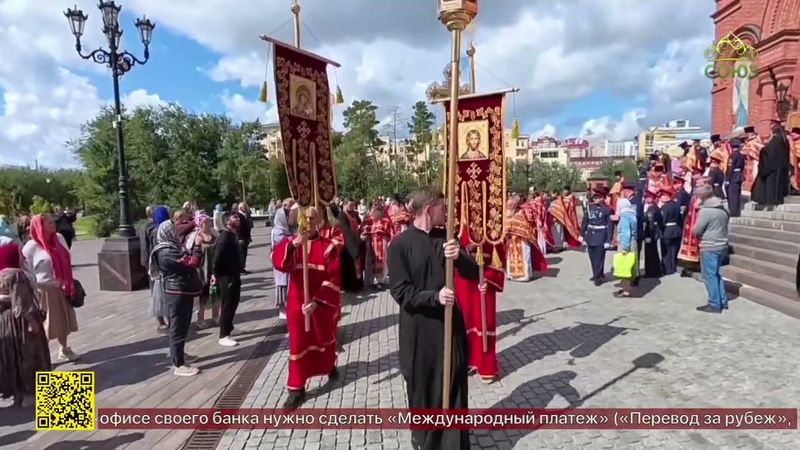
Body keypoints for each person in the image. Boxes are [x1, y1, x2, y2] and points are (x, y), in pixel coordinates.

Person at [387, 188, 479, 450]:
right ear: (429, 209)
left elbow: (474, 273)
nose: (447, 212)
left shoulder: (447, 238)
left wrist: (459, 255)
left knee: (454, 390)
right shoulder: (400, 245)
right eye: (442, 207)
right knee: (424, 392)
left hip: (451, 329)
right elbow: (400, 291)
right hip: (420, 334)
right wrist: (434, 297)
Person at [272, 206, 341, 410]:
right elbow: (278, 262)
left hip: (319, 304)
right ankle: (296, 389)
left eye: (312, 218)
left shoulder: (329, 246)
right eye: (304, 218)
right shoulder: (291, 243)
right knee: (298, 344)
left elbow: (334, 277)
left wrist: (318, 301)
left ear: (319, 220)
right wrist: (293, 245)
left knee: (324, 339)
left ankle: (329, 366)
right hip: (297, 304)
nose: (308, 222)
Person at [151, 220, 204, 376]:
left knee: (182, 325)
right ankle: (178, 363)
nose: (176, 231)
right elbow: (192, 262)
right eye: (173, 229)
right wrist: (197, 246)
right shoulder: (166, 251)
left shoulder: (172, 247)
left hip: (182, 290)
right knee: (177, 328)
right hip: (176, 292)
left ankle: (179, 354)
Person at [22, 214, 79, 362]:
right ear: (39, 226)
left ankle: (64, 349)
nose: (52, 223)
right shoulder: (31, 247)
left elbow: (68, 256)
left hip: (62, 287)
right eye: (48, 222)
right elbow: (26, 271)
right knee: (46, 324)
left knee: (64, 321)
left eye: (52, 221)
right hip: (43, 290)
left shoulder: (59, 238)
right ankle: (42, 356)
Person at [0, 245, 51, 408]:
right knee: (28, 355)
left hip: (4, 321)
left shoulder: (1, 273)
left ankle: (17, 393)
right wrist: (31, 321)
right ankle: (31, 393)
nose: (23, 257)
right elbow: (20, 302)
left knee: (12, 356)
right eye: (19, 254)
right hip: (20, 322)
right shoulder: (16, 274)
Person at [454, 228, 501, 384]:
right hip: (463, 282)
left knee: (484, 322)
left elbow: (499, 255)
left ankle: (486, 365)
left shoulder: (493, 225)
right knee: (465, 320)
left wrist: (488, 279)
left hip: (483, 281)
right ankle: (466, 360)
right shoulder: (459, 225)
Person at [692, 186, 730, 313]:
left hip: (710, 245)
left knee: (709, 276)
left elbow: (696, 229)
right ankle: (722, 300)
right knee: (716, 274)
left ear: (701, 197)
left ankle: (714, 303)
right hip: (722, 244)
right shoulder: (723, 208)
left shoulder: (706, 211)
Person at [212, 211, 243, 347]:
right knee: (228, 304)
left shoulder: (232, 236)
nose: (238, 219)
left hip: (234, 274)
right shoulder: (225, 237)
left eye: (238, 217)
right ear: (227, 221)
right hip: (226, 276)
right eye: (234, 217)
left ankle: (229, 327)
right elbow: (217, 258)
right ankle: (223, 335)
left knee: (234, 301)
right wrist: (215, 274)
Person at [187, 212, 219, 329]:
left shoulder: (214, 234)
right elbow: (192, 256)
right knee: (203, 296)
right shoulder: (196, 237)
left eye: (208, 221)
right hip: (202, 271)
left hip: (215, 269)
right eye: (205, 221)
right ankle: (200, 318)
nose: (209, 222)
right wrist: (197, 245)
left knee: (216, 293)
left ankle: (216, 316)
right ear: (200, 223)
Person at [505, 194, 547, 281]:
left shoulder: (521, 212)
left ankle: (524, 275)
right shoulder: (506, 213)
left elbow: (525, 225)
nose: (510, 206)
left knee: (524, 256)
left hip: (522, 238)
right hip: (510, 239)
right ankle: (512, 274)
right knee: (511, 257)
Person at [752, 122, 791, 207]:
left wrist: (762, 150)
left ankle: (770, 201)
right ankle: (776, 199)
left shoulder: (775, 140)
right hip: (780, 167)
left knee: (770, 187)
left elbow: (769, 154)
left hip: (772, 169)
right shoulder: (784, 140)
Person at [580, 189, 613, 286]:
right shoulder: (589, 208)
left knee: (599, 257)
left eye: (598, 198)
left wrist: (608, 239)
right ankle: (598, 274)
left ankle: (597, 277)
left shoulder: (607, 209)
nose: (596, 199)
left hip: (601, 234)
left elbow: (610, 225)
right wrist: (581, 234)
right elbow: (585, 222)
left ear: (602, 198)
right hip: (590, 235)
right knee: (592, 257)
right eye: (594, 198)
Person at [148, 206, 171, 333]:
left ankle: (162, 321)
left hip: (154, 266)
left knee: (157, 295)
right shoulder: (163, 229)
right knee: (164, 294)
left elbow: (146, 251)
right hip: (162, 265)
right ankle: (168, 320)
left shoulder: (150, 228)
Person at [613, 193, 638, 298]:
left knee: (624, 266)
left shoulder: (625, 216)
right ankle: (626, 288)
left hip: (626, 243)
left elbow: (626, 232)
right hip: (633, 242)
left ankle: (626, 290)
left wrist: (624, 248)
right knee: (630, 266)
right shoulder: (632, 214)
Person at [361, 207, 391, 290]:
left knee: (382, 261)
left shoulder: (385, 219)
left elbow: (388, 231)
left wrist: (388, 240)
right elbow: (364, 230)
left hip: (382, 243)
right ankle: (369, 282)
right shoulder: (368, 219)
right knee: (369, 262)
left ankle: (380, 281)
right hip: (370, 242)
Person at [271, 208, 292, 320]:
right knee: (282, 285)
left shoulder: (285, 229)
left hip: (286, 262)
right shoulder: (278, 231)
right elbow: (283, 243)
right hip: (280, 262)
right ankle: (282, 309)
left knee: (286, 284)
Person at [659, 189, 682, 275]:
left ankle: (667, 269)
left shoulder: (665, 207)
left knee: (666, 250)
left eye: (662, 196)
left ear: (667, 197)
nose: (661, 197)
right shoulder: (676, 205)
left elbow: (663, 220)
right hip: (676, 229)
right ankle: (673, 267)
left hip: (667, 230)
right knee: (673, 250)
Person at [641, 191, 663, 278]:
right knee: (653, 252)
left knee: (650, 253)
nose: (647, 199)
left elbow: (651, 223)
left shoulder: (652, 209)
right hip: (652, 233)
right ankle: (655, 270)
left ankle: (650, 271)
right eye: (646, 197)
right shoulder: (653, 208)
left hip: (650, 233)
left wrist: (648, 235)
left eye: (649, 197)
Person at [727, 139, 746, 217]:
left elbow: (730, 167)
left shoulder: (732, 155)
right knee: (738, 194)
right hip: (739, 175)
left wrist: (728, 177)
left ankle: (733, 211)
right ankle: (737, 211)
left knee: (732, 195)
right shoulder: (741, 155)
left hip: (734, 176)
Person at [237, 203, 254, 274]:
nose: (246, 208)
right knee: (241, 254)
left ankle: (243, 267)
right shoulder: (239, 215)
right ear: (240, 208)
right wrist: (239, 238)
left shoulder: (245, 214)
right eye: (244, 207)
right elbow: (239, 228)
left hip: (246, 237)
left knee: (244, 253)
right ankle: (240, 268)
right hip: (241, 237)